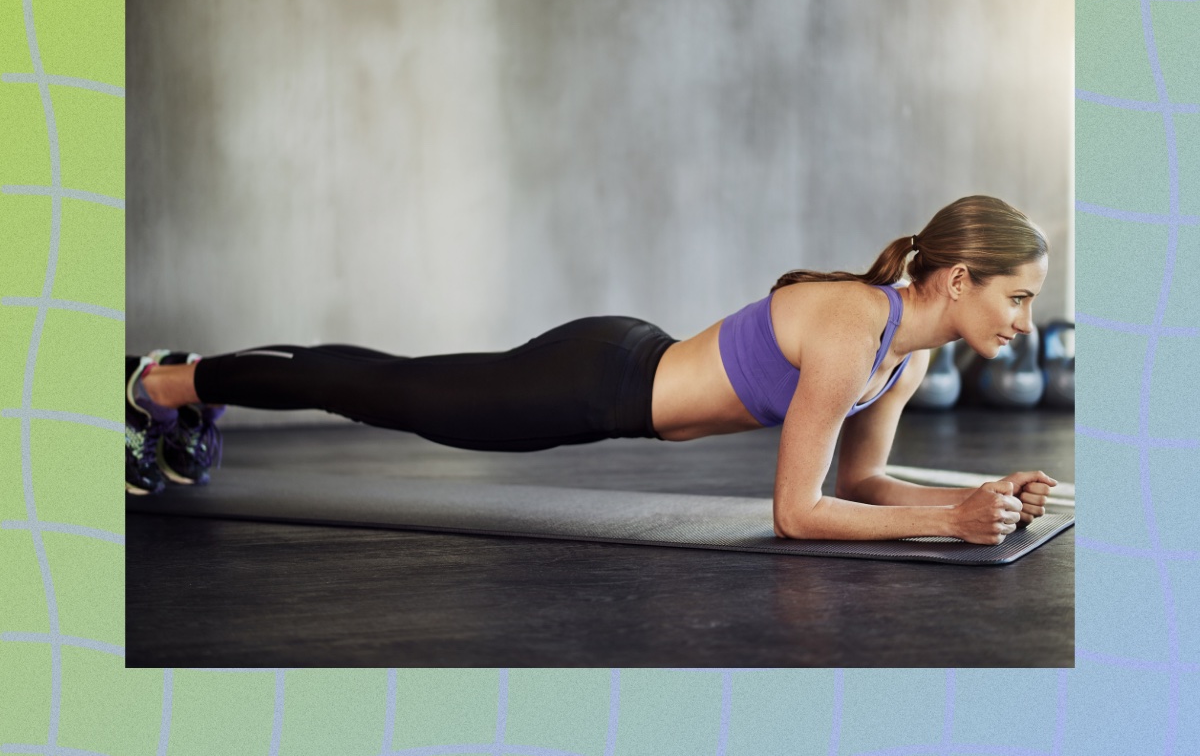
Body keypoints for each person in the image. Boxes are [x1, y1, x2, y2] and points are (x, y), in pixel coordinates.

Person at [126, 194, 1058, 544]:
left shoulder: (902, 362)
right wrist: (953, 521)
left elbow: (857, 482)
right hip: (594, 381)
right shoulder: (860, 323)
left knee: (391, 386)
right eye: (1017, 297)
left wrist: (983, 495)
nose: (1026, 319)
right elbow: (796, 513)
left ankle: (176, 386)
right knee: (385, 389)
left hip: (620, 370)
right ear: (963, 277)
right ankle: (162, 383)